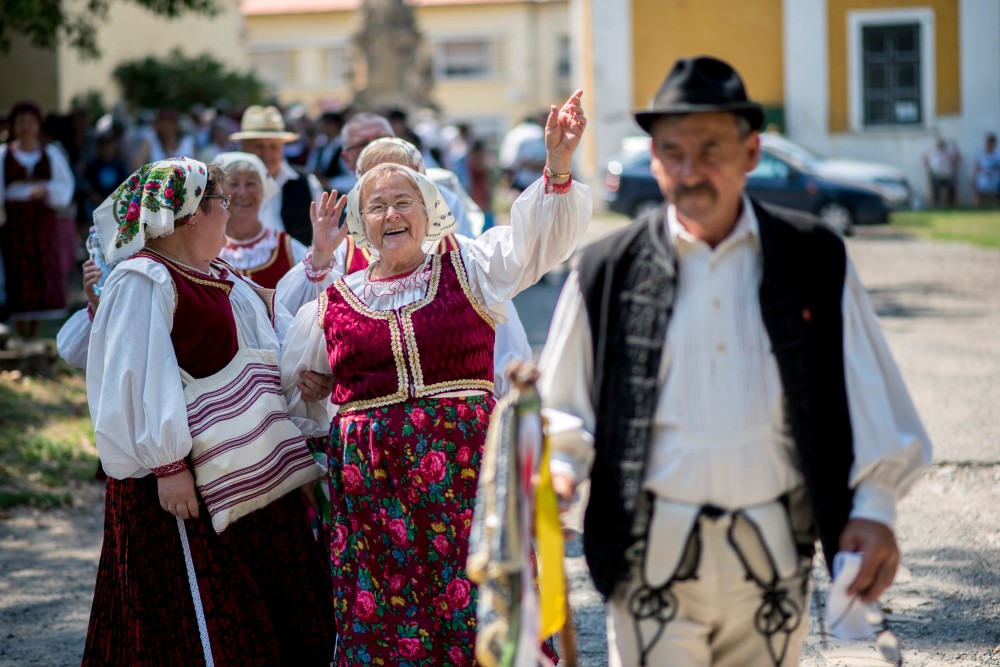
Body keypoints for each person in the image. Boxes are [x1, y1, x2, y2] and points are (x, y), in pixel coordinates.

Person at [537, 57, 932, 667]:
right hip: (650, 562)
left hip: (772, 558)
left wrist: (875, 509)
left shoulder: (812, 257)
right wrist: (558, 471)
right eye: (672, 152)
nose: (690, 171)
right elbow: (562, 407)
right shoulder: (606, 269)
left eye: (711, 149)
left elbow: (868, 392)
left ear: (752, 152)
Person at [279, 90, 590, 665]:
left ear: (429, 209)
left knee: (481, 613)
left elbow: (534, 244)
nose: (391, 215)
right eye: (376, 206)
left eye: (403, 202)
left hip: (465, 482)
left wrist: (558, 165)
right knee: (390, 628)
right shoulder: (333, 303)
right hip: (374, 499)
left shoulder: (470, 264)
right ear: (359, 222)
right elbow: (300, 391)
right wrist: (317, 390)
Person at [82, 157, 336, 666]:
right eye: (220, 201)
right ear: (191, 213)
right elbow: (134, 380)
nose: (230, 211)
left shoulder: (217, 274)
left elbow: (271, 342)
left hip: (245, 471)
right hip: (183, 485)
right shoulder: (144, 281)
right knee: (195, 618)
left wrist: (306, 373)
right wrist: (170, 466)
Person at [0, 101, 75, 335]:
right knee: (16, 270)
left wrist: (47, 190)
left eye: (30, 122)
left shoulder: (50, 153)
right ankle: (19, 328)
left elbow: (66, 185)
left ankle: (35, 331)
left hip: (42, 221)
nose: (25, 127)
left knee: (42, 268)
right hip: (15, 222)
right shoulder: (4, 155)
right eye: (20, 122)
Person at [214, 151, 314, 288]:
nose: (243, 193)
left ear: (264, 190)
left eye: (250, 184)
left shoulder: (288, 249)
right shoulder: (205, 249)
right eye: (234, 184)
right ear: (220, 193)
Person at [231, 105, 323, 246]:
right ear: (243, 147)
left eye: (273, 146)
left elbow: (321, 237)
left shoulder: (307, 183)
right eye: (259, 146)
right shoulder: (228, 186)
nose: (267, 154)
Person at [923, 137, 960, 207]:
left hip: (947, 175)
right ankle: (930, 206)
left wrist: (954, 165)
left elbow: (957, 158)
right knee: (931, 185)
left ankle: (945, 205)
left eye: (943, 144)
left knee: (948, 185)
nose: (941, 146)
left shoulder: (949, 152)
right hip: (935, 174)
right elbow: (925, 159)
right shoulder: (933, 152)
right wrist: (928, 168)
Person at [972, 132, 999, 207]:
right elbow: (976, 167)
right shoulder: (980, 154)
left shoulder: (997, 155)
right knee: (977, 191)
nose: (989, 144)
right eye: (988, 142)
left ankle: (994, 208)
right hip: (982, 179)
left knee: (994, 195)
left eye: (991, 142)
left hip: (994, 179)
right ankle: (978, 209)